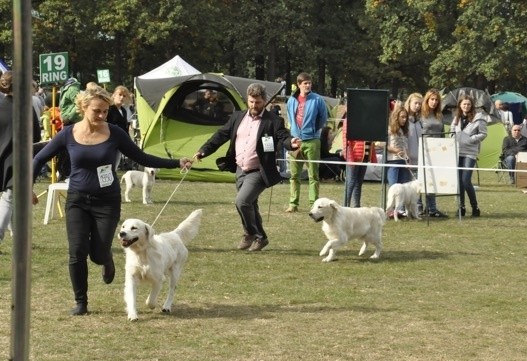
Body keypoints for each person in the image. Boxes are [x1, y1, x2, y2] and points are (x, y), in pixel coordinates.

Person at [32, 87, 193, 316]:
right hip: (77, 199)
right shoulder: (68, 133)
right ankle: (81, 302)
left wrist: (176, 163)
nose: (101, 116)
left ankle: (106, 259)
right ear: (83, 108)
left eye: (105, 112)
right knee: (77, 251)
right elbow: (39, 158)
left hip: (106, 202)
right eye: (97, 111)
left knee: (97, 253)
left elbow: (142, 157)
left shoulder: (115, 133)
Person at [194, 83, 299, 252]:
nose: (253, 105)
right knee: (250, 204)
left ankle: (249, 233)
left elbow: (283, 136)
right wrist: (203, 151)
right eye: (251, 102)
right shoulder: (237, 117)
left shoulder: (273, 120)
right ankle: (261, 238)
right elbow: (221, 135)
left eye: (257, 102)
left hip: (259, 171)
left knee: (242, 202)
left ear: (264, 101)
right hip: (240, 169)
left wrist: (291, 143)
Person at [0, 72, 41, 247]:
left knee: (11, 198)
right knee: (9, 200)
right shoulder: (25, 107)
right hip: (17, 159)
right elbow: (36, 136)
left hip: (2, 158)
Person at [285, 72, 328, 212]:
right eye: (305, 83)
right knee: (294, 175)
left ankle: (313, 204)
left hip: (312, 141)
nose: (308, 85)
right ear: (299, 84)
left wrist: (314, 129)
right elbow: (290, 118)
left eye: (309, 83)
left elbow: (323, 117)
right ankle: (293, 204)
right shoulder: (291, 100)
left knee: (313, 175)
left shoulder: (317, 100)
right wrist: (294, 134)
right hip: (295, 141)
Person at [451, 95, 487, 217]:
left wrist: (471, 139)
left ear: (471, 105)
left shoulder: (479, 118)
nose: (466, 106)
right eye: (464, 104)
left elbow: (483, 134)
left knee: (466, 181)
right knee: (459, 182)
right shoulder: (456, 118)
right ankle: (461, 207)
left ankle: (475, 206)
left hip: (470, 152)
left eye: (468, 104)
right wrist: (452, 139)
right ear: (460, 105)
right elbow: (451, 131)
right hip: (457, 151)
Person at [419, 88, 448, 218]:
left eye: (436, 100)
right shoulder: (420, 114)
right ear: (427, 100)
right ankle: (419, 207)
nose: (434, 102)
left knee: (432, 180)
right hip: (422, 150)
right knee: (420, 179)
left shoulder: (439, 115)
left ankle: (432, 208)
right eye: (432, 99)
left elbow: (442, 134)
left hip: (436, 151)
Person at [342, 113, 376, 208]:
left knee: (358, 183)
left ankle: (356, 206)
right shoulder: (348, 120)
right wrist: (349, 157)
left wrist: (373, 157)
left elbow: (371, 139)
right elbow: (346, 141)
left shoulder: (368, 120)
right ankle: (345, 206)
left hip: (364, 156)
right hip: (354, 156)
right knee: (351, 182)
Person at [386, 105, 411, 187]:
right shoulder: (389, 129)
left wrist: (408, 159)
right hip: (393, 161)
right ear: (396, 117)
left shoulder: (404, 130)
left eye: (406, 117)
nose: (404, 119)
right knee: (394, 188)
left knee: (403, 188)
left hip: (403, 161)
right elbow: (381, 144)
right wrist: (394, 150)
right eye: (402, 117)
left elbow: (405, 146)